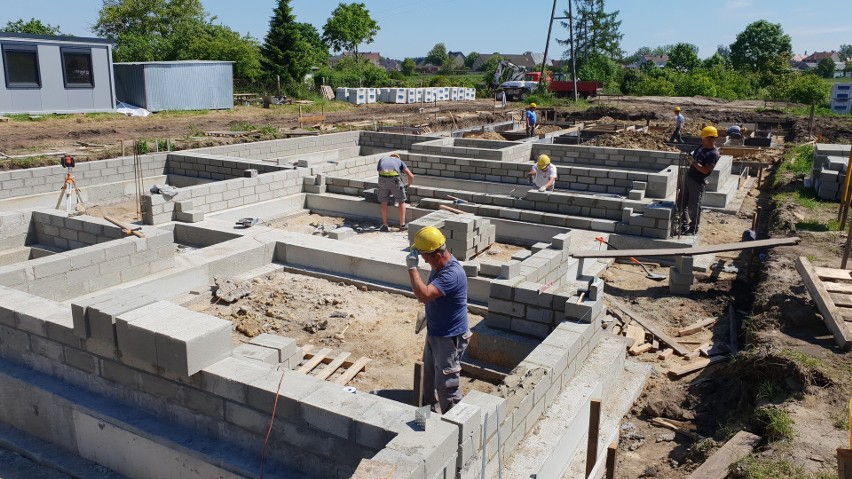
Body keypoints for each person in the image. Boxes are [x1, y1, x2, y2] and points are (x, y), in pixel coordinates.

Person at [406, 226, 471, 413]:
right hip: (436, 331)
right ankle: (428, 415)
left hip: (449, 338)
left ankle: (455, 426)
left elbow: (424, 295)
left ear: (436, 254)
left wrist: (412, 268)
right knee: (428, 377)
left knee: (446, 386)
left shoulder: (452, 274)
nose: (423, 260)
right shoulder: (439, 265)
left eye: (425, 256)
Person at [677, 126, 720, 235]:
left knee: (694, 206)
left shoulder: (713, 154)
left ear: (711, 139)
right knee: (681, 201)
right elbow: (693, 155)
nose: (702, 140)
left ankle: (693, 228)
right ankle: (683, 225)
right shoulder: (701, 147)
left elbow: (705, 170)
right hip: (689, 176)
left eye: (704, 139)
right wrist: (688, 156)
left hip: (697, 181)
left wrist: (693, 162)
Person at [376, 153, 414, 232]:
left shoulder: (382, 159)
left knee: (383, 202)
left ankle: (385, 225)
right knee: (401, 201)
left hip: (382, 179)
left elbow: (380, 172)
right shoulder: (399, 161)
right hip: (394, 179)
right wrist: (408, 185)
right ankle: (402, 225)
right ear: (398, 158)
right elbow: (411, 176)